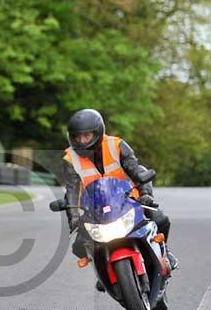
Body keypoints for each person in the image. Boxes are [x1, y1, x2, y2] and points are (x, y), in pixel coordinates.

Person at [62, 108, 178, 270]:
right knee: (79, 246)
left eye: (86, 135)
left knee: (160, 219)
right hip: (96, 210)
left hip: (130, 200)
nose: (81, 140)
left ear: (97, 132)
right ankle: (104, 269)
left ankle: (165, 253)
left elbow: (135, 169)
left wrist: (145, 194)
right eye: (77, 136)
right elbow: (72, 190)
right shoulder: (70, 159)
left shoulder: (116, 145)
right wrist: (73, 217)